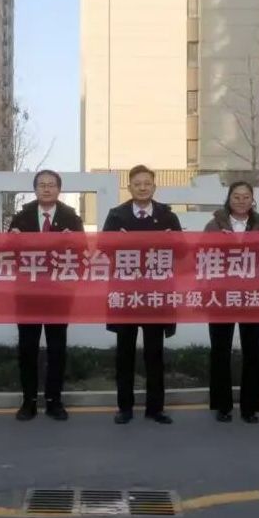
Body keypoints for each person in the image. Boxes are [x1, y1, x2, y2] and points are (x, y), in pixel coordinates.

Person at [103, 165, 181, 425]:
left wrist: (172, 242)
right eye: (137, 184)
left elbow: (183, 252)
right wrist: (119, 242)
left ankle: (155, 409)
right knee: (124, 355)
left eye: (147, 183)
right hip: (126, 295)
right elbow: (103, 250)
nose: (143, 187)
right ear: (130, 187)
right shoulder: (116, 216)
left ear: (154, 187)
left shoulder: (167, 216)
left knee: (154, 355)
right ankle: (124, 408)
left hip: (156, 296)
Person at [8, 169, 84, 422]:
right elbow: (7, 254)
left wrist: (72, 242)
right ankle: (28, 401)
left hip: (58, 295)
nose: (47, 189)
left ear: (59, 189)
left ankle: (54, 401)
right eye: (42, 185)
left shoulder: (71, 218)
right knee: (27, 349)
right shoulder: (21, 217)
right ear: (35, 189)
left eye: (52, 185)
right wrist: (12, 240)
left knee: (56, 349)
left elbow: (83, 253)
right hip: (27, 295)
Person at [203, 181, 259, 424]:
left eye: (246, 197)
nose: (241, 201)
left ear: (252, 200)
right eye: (236, 196)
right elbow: (201, 255)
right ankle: (222, 406)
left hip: (253, 296)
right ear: (229, 199)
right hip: (221, 295)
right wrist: (219, 243)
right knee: (220, 351)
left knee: (253, 352)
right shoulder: (214, 225)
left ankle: (250, 407)